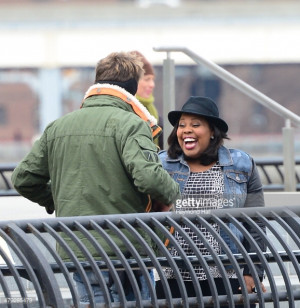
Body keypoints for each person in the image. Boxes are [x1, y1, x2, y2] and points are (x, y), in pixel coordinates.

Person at [11, 51, 180, 306]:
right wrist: (174, 191)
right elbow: (150, 179)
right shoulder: (131, 124)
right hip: (126, 247)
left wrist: (58, 199)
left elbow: (23, 178)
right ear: (132, 88)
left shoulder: (59, 126)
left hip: (77, 245)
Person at [156, 96, 266, 307]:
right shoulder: (160, 165)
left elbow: (256, 224)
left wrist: (253, 272)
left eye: (195, 125)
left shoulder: (242, 164)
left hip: (228, 274)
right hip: (173, 277)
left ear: (213, 131)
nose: (186, 130)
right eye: (182, 125)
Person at [130, 51, 163, 148]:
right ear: (133, 81)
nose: (152, 85)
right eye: (147, 79)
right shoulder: (122, 111)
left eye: (153, 79)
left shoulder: (155, 115)